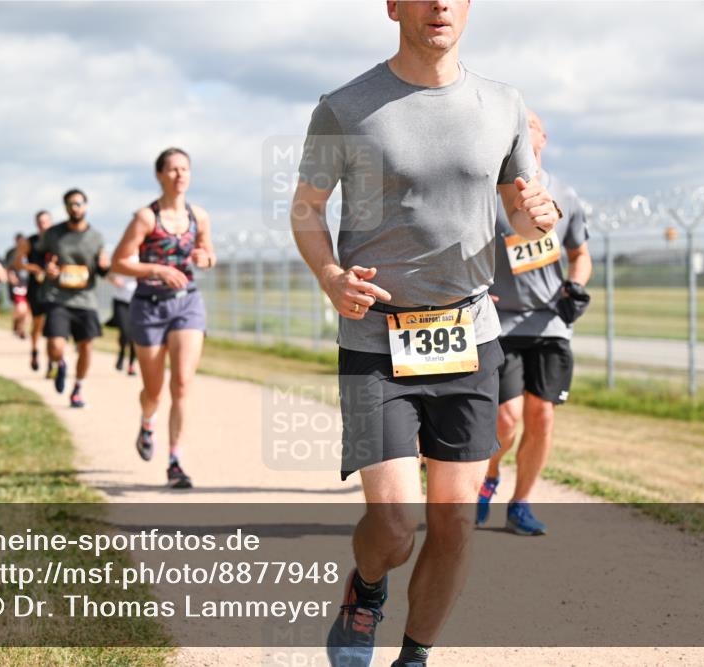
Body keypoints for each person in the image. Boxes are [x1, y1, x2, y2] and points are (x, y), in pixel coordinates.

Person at [289, 2, 560, 665]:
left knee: (455, 519)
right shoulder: (346, 106)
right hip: (375, 342)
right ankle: (367, 588)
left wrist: (536, 217)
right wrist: (330, 274)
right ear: (392, 5)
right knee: (392, 523)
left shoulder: (503, 103)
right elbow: (306, 207)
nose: (440, 5)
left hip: (470, 336)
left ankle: (415, 654)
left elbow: (525, 220)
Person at [476, 109, 592, 535]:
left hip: (550, 324)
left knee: (541, 415)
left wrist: (575, 287)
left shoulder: (565, 194)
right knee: (505, 419)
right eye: (515, 126)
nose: (525, 131)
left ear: (543, 137)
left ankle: (521, 504)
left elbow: (580, 256)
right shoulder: (488, 194)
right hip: (499, 324)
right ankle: (488, 478)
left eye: (532, 125)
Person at [111, 148, 216, 490]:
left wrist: (204, 257)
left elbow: (207, 253)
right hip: (149, 306)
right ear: (159, 175)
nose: (179, 175)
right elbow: (119, 262)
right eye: (172, 169)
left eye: (184, 169)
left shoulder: (198, 215)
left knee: (182, 383)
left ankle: (174, 461)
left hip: (187, 303)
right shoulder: (145, 217)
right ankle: (147, 420)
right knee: (154, 389)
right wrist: (157, 268)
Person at [38, 189, 110, 408]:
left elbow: (102, 269)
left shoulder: (96, 237)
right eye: (71, 204)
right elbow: (41, 257)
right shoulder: (53, 234)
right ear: (65, 207)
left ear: (86, 206)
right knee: (56, 346)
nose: (75, 207)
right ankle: (60, 364)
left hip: (85, 298)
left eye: (79, 203)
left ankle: (77, 388)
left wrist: (104, 266)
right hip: (58, 297)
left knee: (86, 347)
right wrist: (47, 267)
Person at [17, 211, 53, 372]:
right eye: (40, 221)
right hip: (36, 287)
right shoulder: (30, 241)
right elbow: (18, 263)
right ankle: (34, 350)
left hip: (53, 288)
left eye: (45, 221)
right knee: (38, 323)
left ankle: (52, 360)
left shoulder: (57, 241)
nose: (42, 224)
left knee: (53, 325)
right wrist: (34, 268)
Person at [108, 258, 139, 375]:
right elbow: (108, 272)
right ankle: (121, 352)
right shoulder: (121, 254)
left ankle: (131, 364)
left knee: (135, 335)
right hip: (120, 301)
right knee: (125, 332)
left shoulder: (145, 254)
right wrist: (114, 279)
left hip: (137, 301)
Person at [5, 233, 30, 339]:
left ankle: (21, 329)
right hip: (16, 285)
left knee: (26, 310)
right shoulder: (12, 253)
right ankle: (18, 328)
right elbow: (7, 267)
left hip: (27, 284)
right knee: (20, 308)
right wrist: (11, 277)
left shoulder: (29, 252)